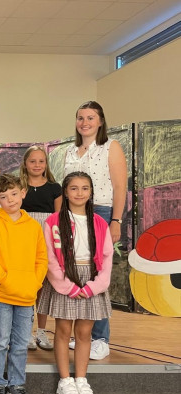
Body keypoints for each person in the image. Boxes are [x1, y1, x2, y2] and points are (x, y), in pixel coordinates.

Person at [38, 172, 113, 394]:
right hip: (66, 278)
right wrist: (66, 286)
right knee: (63, 331)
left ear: (91, 192)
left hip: (91, 279)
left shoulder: (99, 222)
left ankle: (81, 379)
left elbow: (107, 257)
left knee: (84, 333)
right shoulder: (52, 222)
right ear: (65, 192)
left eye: (84, 188)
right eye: (74, 188)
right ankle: (65, 381)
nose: (79, 193)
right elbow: (50, 257)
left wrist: (94, 286)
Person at [63, 101, 126, 360]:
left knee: (97, 272)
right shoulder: (70, 151)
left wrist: (116, 220)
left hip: (100, 211)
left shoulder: (111, 147)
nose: (85, 122)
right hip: (71, 213)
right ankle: (82, 335)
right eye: (81, 118)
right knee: (76, 270)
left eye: (91, 117)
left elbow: (120, 187)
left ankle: (100, 338)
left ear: (100, 121)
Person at [0, 174, 47, 394]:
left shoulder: (34, 226)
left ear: (23, 193)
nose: (10, 200)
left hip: (26, 296)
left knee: (20, 343)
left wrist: (35, 283)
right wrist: (4, 279)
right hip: (1, 295)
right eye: (4, 196)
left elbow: (41, 258)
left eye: (14, 194)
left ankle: (16, 385)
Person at [19, 144, 62, 351]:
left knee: (44, 287)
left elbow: (59, 218)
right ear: (25, 164)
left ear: (46, 164)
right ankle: (25, 331)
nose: (37, 165)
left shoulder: (55, 188)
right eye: (32, 161)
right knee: (28, 286)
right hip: (23, 237)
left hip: (47, 239)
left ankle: (41, 331)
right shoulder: (19, 187)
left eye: (41, 161)